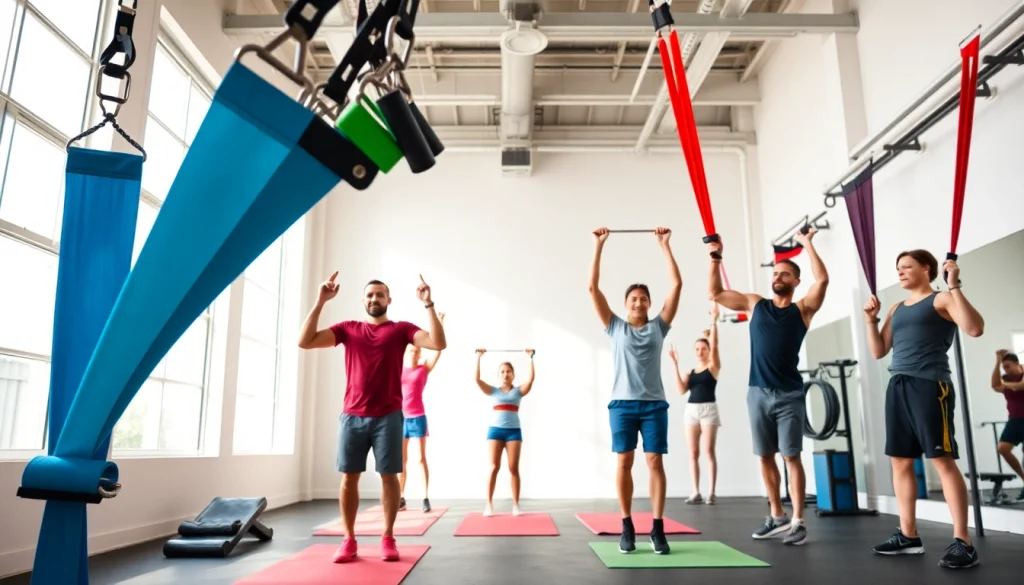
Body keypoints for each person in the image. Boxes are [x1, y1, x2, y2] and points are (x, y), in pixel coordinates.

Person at [297, 272, 446, 564]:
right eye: (369, 295)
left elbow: (438, 344)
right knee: (349, 477)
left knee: (389, 477)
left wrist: (428, 305)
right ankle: (349, 540)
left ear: (388, 300)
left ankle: (388, 537)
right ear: (363, 301)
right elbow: (305, 341)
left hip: (389, 417)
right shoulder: (348, 329)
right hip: (352, 416)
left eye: (379, 295)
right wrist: (320, 301)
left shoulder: (402, 329)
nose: (374, 299)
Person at [863, 250, 984, 570]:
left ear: (926, 269)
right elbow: (878, 351)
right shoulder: (896, 307)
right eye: (898, 267)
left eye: (907, 266)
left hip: (930, 386)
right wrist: (870, 320)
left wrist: (955, 285)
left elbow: (974, 329)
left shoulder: (941, 299)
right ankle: (908, 536)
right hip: (898, 385)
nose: (900, 272)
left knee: (941, 460)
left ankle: (963, 542)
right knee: (900, 462)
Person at [708, 228, 827, 547]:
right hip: (757, 393)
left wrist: (807, 245)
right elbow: (716, 293)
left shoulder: (802, 310)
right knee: (764, 455)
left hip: (789, 394)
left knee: (791, 457)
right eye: (775, 272)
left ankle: (798, 521)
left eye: (785, 273)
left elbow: (823, 281)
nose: (778, 276)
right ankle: (776, 515)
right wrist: (715, 257)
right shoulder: (755, 303)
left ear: (795, 281)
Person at [588, 226, 681, 555]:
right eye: (633, 298)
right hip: (622, 406)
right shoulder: (615, 326)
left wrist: (664, 245)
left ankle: (657, 528)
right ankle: (626, 525)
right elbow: (592, 288)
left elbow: (677, 285)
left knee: (655, 462)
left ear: (649, 303)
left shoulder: (659, 326)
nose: (638, 302)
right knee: (624, 462)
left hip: (655, 405)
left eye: (643, 298)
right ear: (625, 304)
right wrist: (599, 245)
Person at [668, 305, 721, 505]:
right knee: (693, 453)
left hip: (709, 410)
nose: (700, 352)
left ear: (708, 351)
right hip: (691, 411)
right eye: (697, 349)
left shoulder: (713, 367)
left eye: (703, 348)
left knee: (708, 451)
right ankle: (696, 491)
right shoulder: (690, 372)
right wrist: (675, 364)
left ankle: (712, 492)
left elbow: (715, 347)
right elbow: (681, 390)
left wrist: (714, 321)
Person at [475, 348, 536, 517]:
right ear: (499, 375)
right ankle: (489, 504)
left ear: (513, 375)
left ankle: (516, 505)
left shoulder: (518, 392)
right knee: (494, 467)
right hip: (495, 432)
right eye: (502, 371)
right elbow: (477, 380)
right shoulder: (493, 391)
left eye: (508, 371)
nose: (505, 374)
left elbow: (531, 380)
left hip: (513, 432)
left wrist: (531, 358)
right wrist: (479, 357)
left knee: (513, 468)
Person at [399, 312, 445, 514]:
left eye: (417, 351)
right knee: (402, 461)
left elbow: (437, 350)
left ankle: (425, 497)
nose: (414, 354)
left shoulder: (423, 369)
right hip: (400, 418)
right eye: (411, 351)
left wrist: (440, 323)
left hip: (418, 417)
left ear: (419, 354)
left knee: (420, 458)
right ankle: (401, 497)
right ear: (406, 352)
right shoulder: (398, 370)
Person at [991, 350, 1024, 501]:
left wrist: (1004, 385)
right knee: (1002, 448)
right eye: (1004, 367)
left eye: (1008, 366)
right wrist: (997, 360)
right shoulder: (1004, 377)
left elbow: (1021, 386)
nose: (1006, 370)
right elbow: (994, 385)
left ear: (1018, 364)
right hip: (1015, 420)